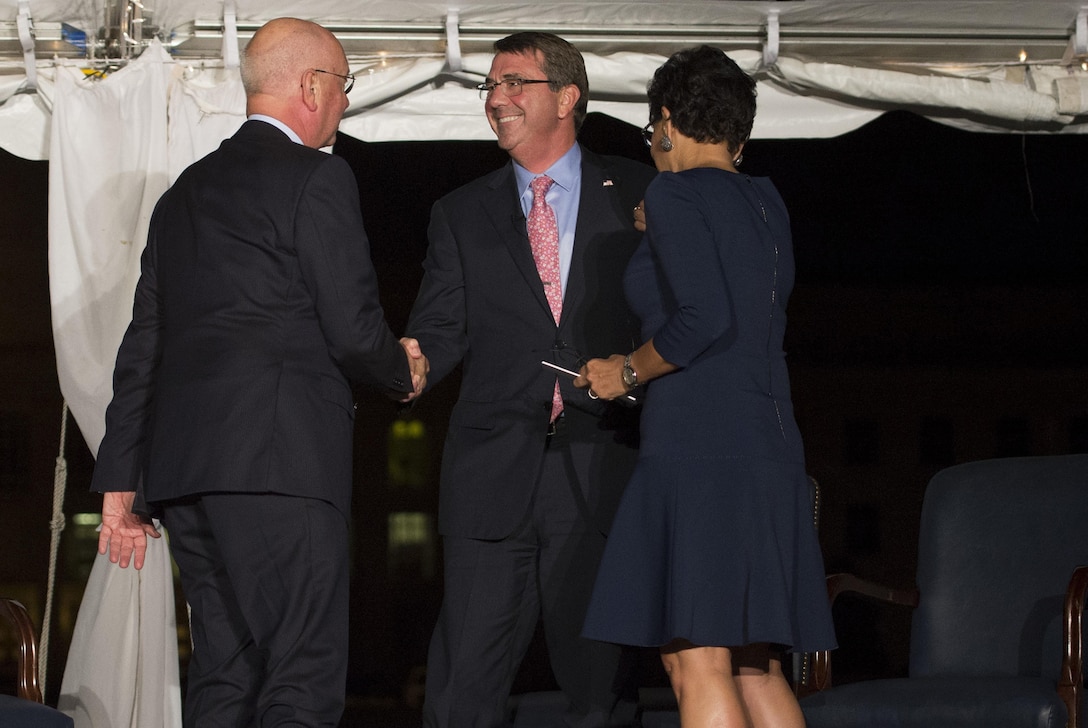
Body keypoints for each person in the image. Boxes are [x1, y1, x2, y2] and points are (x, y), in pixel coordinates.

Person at [91, 17, 427, 727]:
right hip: (281, 466)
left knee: (227, 673)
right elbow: (352, 323)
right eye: (342, 84)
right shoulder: (319, 177)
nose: (343, 101)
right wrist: (402, 368)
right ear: (311, 86)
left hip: (186, 479)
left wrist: (121, 482)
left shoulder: (182, 195)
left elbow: (142, 343)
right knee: (300, 677)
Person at [576, 46, 837, 727]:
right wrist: (659, 228)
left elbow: (704, 319)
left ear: (665, 120)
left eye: (651, 132)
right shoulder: (764, 203)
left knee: (696, 661)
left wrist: (624, 371)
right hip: (768, 441)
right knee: (754, 663)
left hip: (701, 445)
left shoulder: (675, 193)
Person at [404, 31, 656, 728]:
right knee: (460, 694)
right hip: (490, 474)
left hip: (602, 470)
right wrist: (405, 362)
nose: (497, 99)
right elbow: (439, 330)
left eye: (515, 83)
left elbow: (672, 316)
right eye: (490, 86)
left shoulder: (639, 191)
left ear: (568, 96)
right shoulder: (459, 212)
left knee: (600, 692)